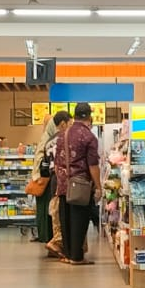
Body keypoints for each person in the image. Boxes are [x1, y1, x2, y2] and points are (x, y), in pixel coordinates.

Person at [53, 102, 101, 265]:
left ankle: (67, 254)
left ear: (74, 116)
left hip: (62, 183)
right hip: (80, 185)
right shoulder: (89, 137)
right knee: (79, 219)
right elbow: (93, 165)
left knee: (65, 218)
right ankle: (76, 256)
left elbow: (56, 160)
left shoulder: (62, 135)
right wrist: (98, 186)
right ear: (89, 116)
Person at [38, 111, 71, 255]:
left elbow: (44, 166)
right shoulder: (66, 139)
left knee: (55, 213)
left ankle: (55, 244)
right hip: (64, 179)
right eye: (69, 123)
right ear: (63, 124)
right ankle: (60, 245)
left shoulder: (48, 142)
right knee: (65, 213)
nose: (71, 126)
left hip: (52, 180)